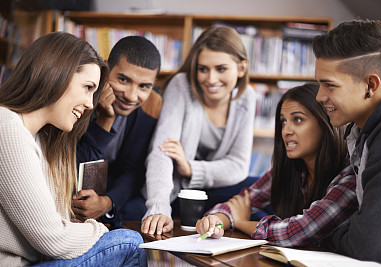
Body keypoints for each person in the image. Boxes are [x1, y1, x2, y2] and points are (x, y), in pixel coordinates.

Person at [0, 32, 146, 266]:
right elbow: (55, 239)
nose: (90, 104)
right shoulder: (6, 126)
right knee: (128, 242)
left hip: (37, 260)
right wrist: (98, 229)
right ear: (56, 73)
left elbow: (61, 224)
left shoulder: (43, 139)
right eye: (87, 87)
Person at [196, 83, 358, 248]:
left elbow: (298, 231)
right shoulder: (291, 168)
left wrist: (240, 222)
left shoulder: (350, 176)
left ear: (325, 123)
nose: (286, 131)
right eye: (283, 122)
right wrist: (215, 221)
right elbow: (243, 202)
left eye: (298, 119)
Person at [141, 25, 257, 235]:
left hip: (213, 189)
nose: (211, 79)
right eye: (203, 69)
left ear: (241, 69)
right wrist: (159, 208)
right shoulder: (182, 85)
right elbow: (161, 153)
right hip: (177, 193)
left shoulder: (247, 96)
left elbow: (238, 166)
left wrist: (190, 169)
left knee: (263, 190)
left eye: (221, 69)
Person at [313, 19, 381, 266]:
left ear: (370, 85)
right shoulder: (359, 131)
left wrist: (330, 232)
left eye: (329, 85)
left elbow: (368, 248)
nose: (319, 96)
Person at [73, 36, 162, 226]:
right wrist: (106, 119)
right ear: (105, 69)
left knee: (138, 210)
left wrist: (107, 203)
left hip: (110, 195)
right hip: (71, 189)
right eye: (123, 79)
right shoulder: (78, 103)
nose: (131, 96)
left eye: (144, 86)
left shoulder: (147, 117)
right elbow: (75, 167)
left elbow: (133, 173)